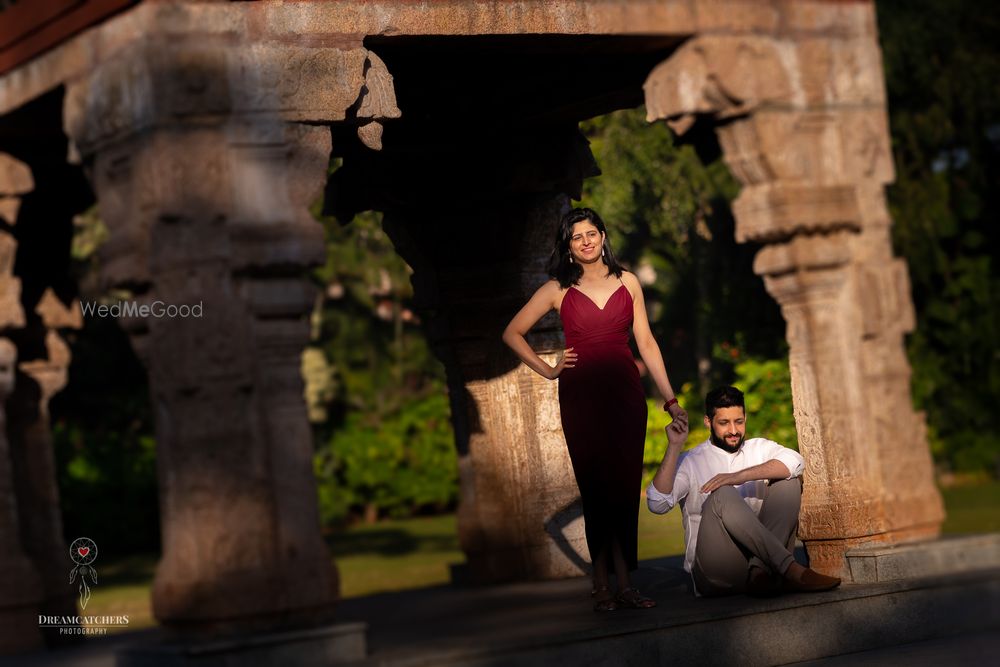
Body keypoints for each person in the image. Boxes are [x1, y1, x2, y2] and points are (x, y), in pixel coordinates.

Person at [502, 207, 687, 612]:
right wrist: (549, 370)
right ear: (568, 246)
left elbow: (646, 342)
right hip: (581, 397)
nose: (585, 241)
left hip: (625, 397)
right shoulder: (557, 289)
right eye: (576, 237)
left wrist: (671, 400)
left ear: (603, 236)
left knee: (623, 489)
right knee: (596, 488)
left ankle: (625, 584)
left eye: (591, 233)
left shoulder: (629, 281)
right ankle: (602, 583)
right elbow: (512, 333)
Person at [647, 385, 842, 597]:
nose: (733, 430)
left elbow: (796, 462)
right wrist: (674, 446)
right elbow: (657, 503)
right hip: (717, 572)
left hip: (760, 567)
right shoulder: (691, 460)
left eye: (738, 421)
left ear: (745, 418)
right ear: (708, 422)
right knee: (722, 494)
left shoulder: (759, 448)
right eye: (724, 423)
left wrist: (738, 476)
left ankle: (760, 572)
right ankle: (791, 570)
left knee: (789, 482)